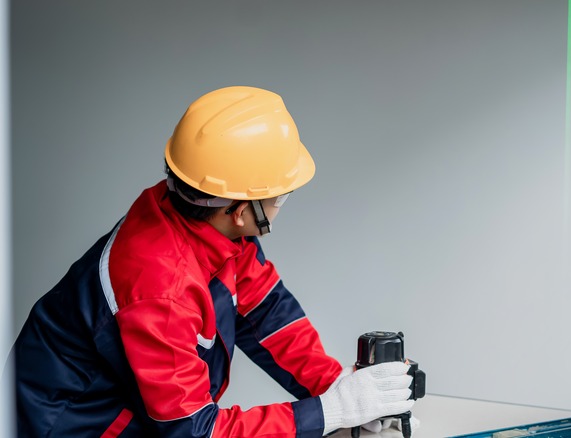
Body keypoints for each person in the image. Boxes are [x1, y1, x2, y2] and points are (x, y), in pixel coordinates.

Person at [11, 86, 415, 437]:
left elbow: (268, 314)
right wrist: (332, 412)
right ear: (240, 209)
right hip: (76, 427)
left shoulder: (210, 226)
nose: (280, 204)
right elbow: (194, 432)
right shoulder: (160, 288)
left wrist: (338, 387)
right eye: (279, 195)